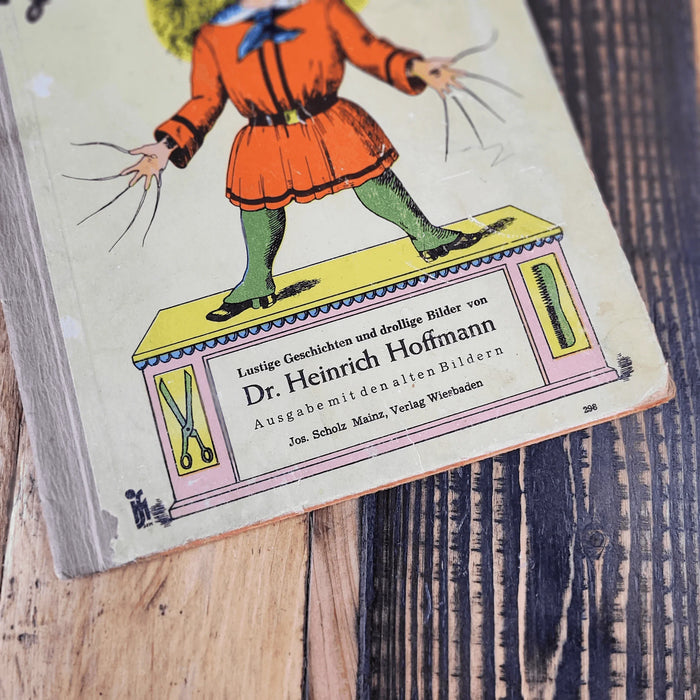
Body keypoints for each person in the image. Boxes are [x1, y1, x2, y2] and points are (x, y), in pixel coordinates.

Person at [124, 0, 486, 321]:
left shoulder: (321, 7)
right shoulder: (214, 35)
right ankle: (256, 281)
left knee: (372, 175)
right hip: (264, 135)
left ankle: (427, 236)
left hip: (329, 119)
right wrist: (167, 145)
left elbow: (369, 50)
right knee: (257, 204)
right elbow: (205, 100)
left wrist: (416, 67)